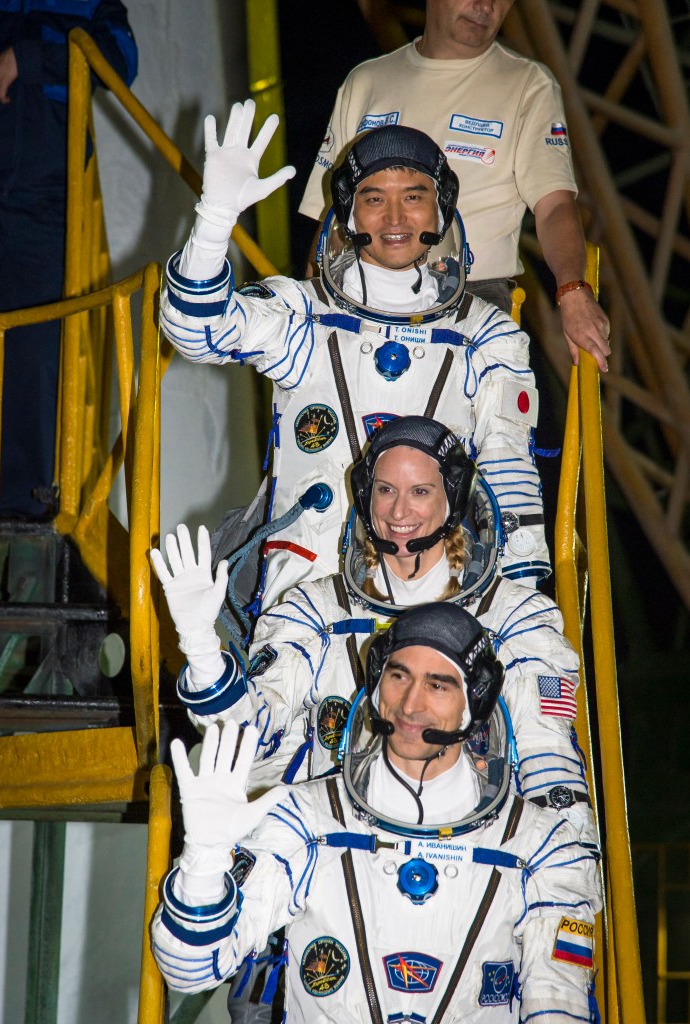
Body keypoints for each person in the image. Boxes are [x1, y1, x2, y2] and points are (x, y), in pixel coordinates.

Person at [160, 100, 549, 612]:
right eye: (373, 198)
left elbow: (508, 469)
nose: (395, 217)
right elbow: (196, 330)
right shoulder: (304, 316)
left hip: (439, 595)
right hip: (306, 585)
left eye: (414, 197)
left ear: (441, 210)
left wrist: (521, 604)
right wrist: (214, 221)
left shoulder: (484, 335)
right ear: (347, 213)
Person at [151, 415, 594, 843]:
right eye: (385, 490)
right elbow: (252, 734)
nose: (399, 510)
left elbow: (549, 763)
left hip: (470, 853)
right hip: (336, 847)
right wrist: (202, 648)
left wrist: (563, 866)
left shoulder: (516, 620)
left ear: (453, 498)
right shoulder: (314, 613)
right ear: (365, 497)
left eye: (420, 491)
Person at [151, 603, 603, 1021]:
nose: (410, 705)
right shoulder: (305, 820)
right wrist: (203, 863)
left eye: (438, 685)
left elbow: (559, 1008)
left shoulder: (542, 848)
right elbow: (191, 970)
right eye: (399, 676)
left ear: (477, 703)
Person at [298, 0, 611, 372]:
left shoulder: (528, 84)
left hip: (472, 301)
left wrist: (572, 290)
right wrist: (309, 310)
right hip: (361, 297)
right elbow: (330, 219)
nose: (485, 6)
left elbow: (554, 205)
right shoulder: (366, 81)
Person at [0, 0, 138, 517]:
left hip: (47, 199)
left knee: (36, 351)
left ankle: (21, 515)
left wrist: (27, 58)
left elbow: (120, 61)